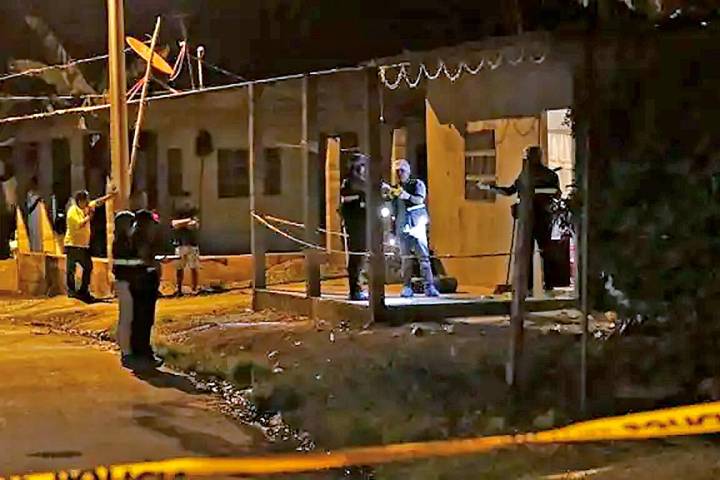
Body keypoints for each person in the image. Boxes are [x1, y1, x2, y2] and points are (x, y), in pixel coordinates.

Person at [484, 145, 560, 292]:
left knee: (544, 251)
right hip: (530, 218)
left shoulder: (548, 175)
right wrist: (491, 188)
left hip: (541, 217)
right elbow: (510, 191)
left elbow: (556, 193)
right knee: (530, 252)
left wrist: (535, 192)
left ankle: (547, 285)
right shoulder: (525, 176)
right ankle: (530, 285)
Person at [386, 159, 439, 298]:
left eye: (402, 171)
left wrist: (407, 196)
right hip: (402, 227)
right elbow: (393, 210)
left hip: (416, 226)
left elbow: (420, 200)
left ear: (408, 171)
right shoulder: (396, 188)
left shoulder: (417, 184)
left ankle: (429, 286)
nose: (400, 174)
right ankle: (407, 287)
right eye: (397, 171)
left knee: (423, 258)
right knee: (405, 259)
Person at [128, 209, 163, 368]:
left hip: (136, 280)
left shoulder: (133, 234)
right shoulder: (140, 237)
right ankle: (144, 353)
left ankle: (137, 350)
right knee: (145, 318)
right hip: (144, 281)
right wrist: (155, 264)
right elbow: (144, 258)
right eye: (150, 224)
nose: (152, 227)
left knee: (138, 317)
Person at [112, 210, 141, 364]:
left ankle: (127, 349)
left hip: (127, 281)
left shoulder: (126, 241)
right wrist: (141, 263)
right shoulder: (120, 243)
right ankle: (125, 351)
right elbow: (124, 264)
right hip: (124, 282)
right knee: (126, 317)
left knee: (129, 316)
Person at [339, 153, 369, 301]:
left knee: (361, 256)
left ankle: (358, 287)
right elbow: (345, 199)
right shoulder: (349, 182)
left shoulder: (362, 182)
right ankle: (355, 289)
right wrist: (361, 197)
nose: (364, 168)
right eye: (361, 166)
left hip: (363, 223)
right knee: (356, 257)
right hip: (355, 224)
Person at [64, 190, 97, 302]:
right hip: (73, 245)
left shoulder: (84, 209)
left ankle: (83, 291)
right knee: (71, 269)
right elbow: (79, 224)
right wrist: (89, 217)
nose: (87, 203)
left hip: (83, 245)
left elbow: (97, 202)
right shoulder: (72, 211)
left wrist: (109, 196)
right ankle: (72, 291)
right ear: (79, 201)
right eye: (85, 201)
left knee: (88, 267)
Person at [171, 199, 200, 296]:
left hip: (192, 245)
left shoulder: (194, 218)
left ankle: (194, 289)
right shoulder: (186, 218)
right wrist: (187, 221)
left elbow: (193, 226)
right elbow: (174, 224)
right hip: (180, 244)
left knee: (193, 267)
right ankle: (179, 289)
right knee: (179, 268)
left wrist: (181, 224)